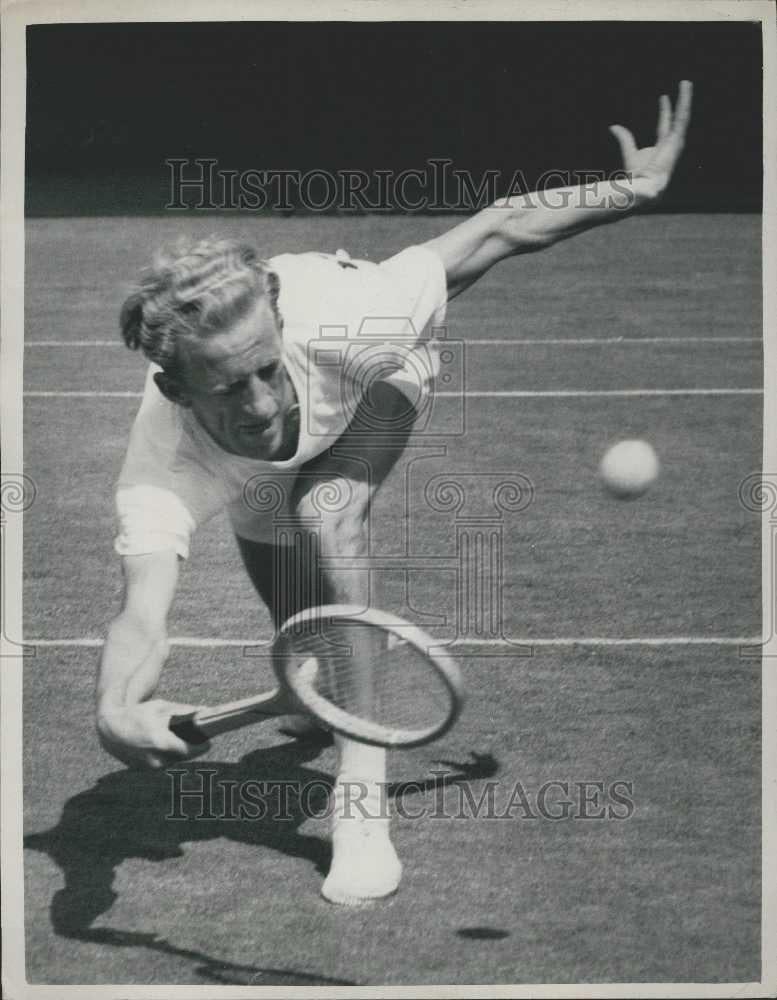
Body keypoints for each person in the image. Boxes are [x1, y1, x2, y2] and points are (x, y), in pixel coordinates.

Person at [96, 82, 692, 904]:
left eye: (267, 369)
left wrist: (630, 192)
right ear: (173, 386)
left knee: (326, 511)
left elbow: (500, 226)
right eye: (229, 388)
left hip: (371, 388)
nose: (261, 404)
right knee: (299, 618)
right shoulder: (163, 460)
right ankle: (315, 686)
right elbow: (141, 612)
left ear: (278, 319)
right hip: (249, 470)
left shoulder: (355, 317)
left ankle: (360, 791)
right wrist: (113, 708)